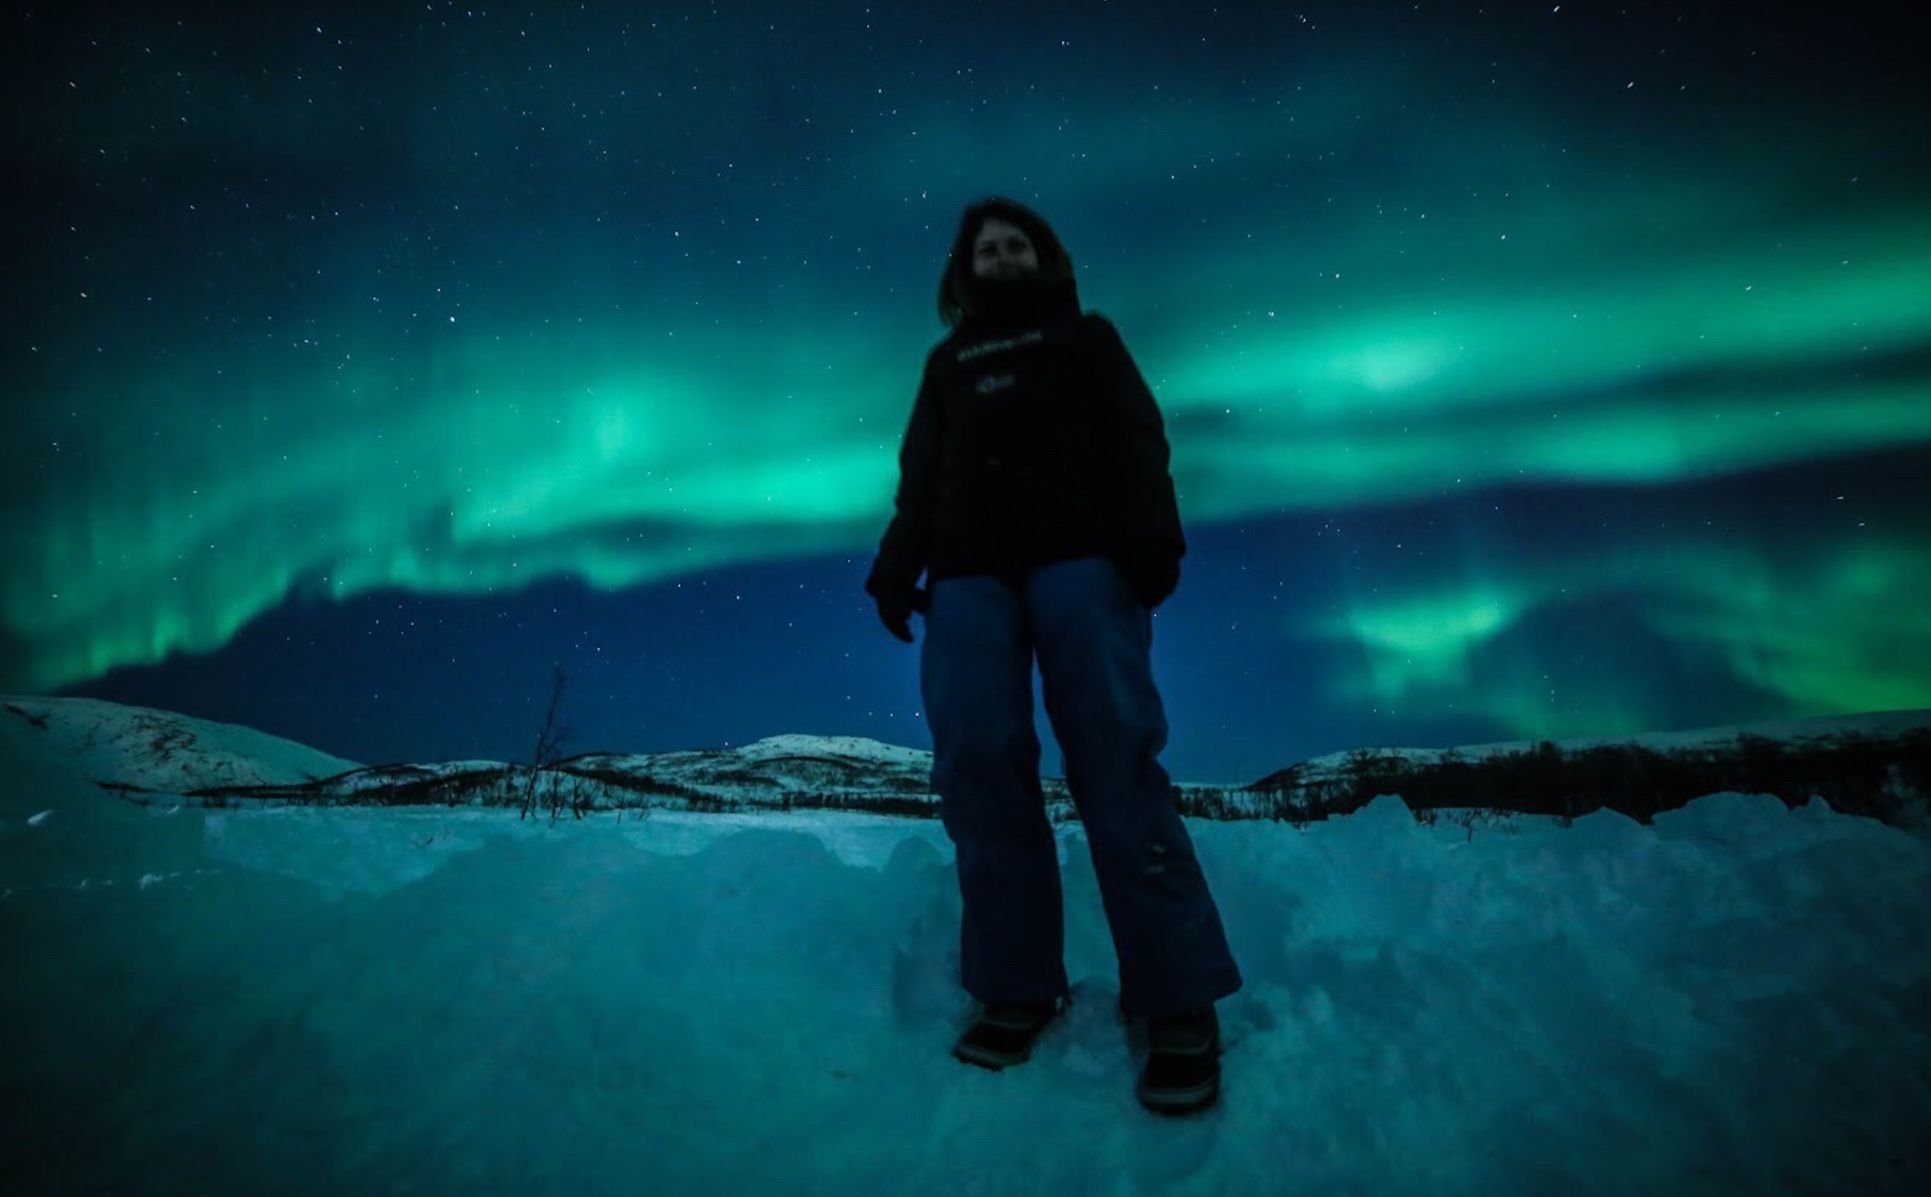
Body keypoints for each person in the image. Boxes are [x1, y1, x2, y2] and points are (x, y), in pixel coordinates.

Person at [863, 196, 1244, 1115]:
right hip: (965, 577)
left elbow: (1136, 436)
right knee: (977, 765)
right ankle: (1016, 984)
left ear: (1042, 258)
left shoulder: (1086, 340)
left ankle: (1176, 991)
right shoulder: (946, 364)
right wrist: (895, 565)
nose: (999, 255)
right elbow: (921, 475)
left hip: (1082, 559)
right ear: (964, 269)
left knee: (1114, 756)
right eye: (984, 247)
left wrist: (1153, 534)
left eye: (1014, 243)